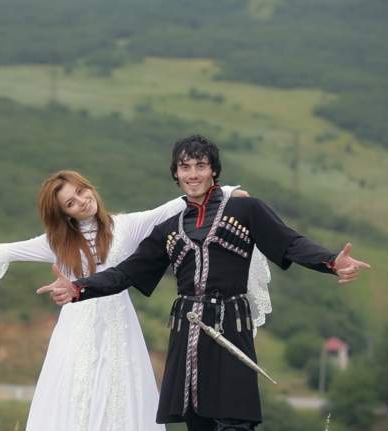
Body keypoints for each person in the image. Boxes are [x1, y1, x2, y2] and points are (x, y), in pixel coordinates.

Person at [37, 135, 370, 431]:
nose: (192, 174)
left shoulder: (246, 210)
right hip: (188, 331)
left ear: (213, 171)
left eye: (200, 165)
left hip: (231, 325)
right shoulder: (168, 229)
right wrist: (78, 288)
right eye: (185, 167)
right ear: (176, 174)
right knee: (197, 421)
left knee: (236, 421)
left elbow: (290, 243)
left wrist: (331, 262)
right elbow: (124, 273)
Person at [0, 169, 260, 431]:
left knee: (120, 390)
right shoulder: (56, 243)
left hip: (119, 324)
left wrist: (228, 193)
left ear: (90, 188)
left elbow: (172, 206)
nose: (81, 201)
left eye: (81, 191)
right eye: (71, 202)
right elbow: (4, 250)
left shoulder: (126, 226)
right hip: (76, 327)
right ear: (65, 214)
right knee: (75, 390)